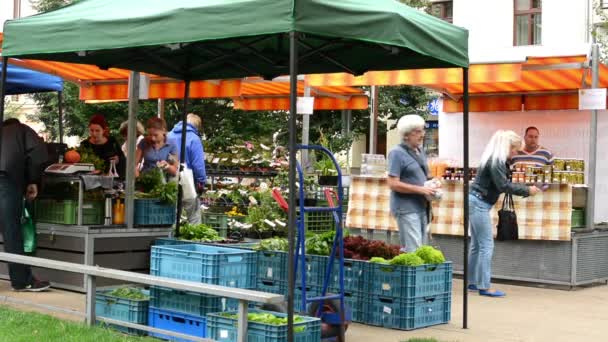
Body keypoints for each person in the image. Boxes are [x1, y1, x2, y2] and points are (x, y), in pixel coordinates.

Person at [468, 130, 540, 297]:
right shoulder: (496, 161)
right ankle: (484, 286)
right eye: (514, 149)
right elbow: (503, 185)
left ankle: (472, 283)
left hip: (475, 200)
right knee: (486, 245)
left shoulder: (492, 158)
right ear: (506, 146)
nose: (515, 153)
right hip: (479, 203)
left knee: (477, 246)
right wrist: (527, 190)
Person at [0, 119, 50, 291]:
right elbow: (37, 154)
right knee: (12, 231)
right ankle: (22, 280)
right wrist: (33, 180)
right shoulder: (21, 130)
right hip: (6, 182)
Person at [387, 115, 438, 253]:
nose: (422, 134)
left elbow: (424, 175)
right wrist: (421, 190)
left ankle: (416, 274)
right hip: (406, 208)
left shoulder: (419, 150)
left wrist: (433, 183)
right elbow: (392, 183)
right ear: (406, 134)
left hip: (421, 207)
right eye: (418, 131)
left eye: (422, 130)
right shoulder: (396, 153)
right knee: (413, 250)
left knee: (420, 249)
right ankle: (411, 274)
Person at [167, 114, 206, 224]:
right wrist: (201, 182)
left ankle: (170, 236)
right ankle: (194, 238)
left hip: (170, 177)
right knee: (193, 214)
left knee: (171, 213)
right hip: (188, 180)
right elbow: (198, 165)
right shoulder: (194, 139)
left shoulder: (169, 135)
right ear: (196, 126)